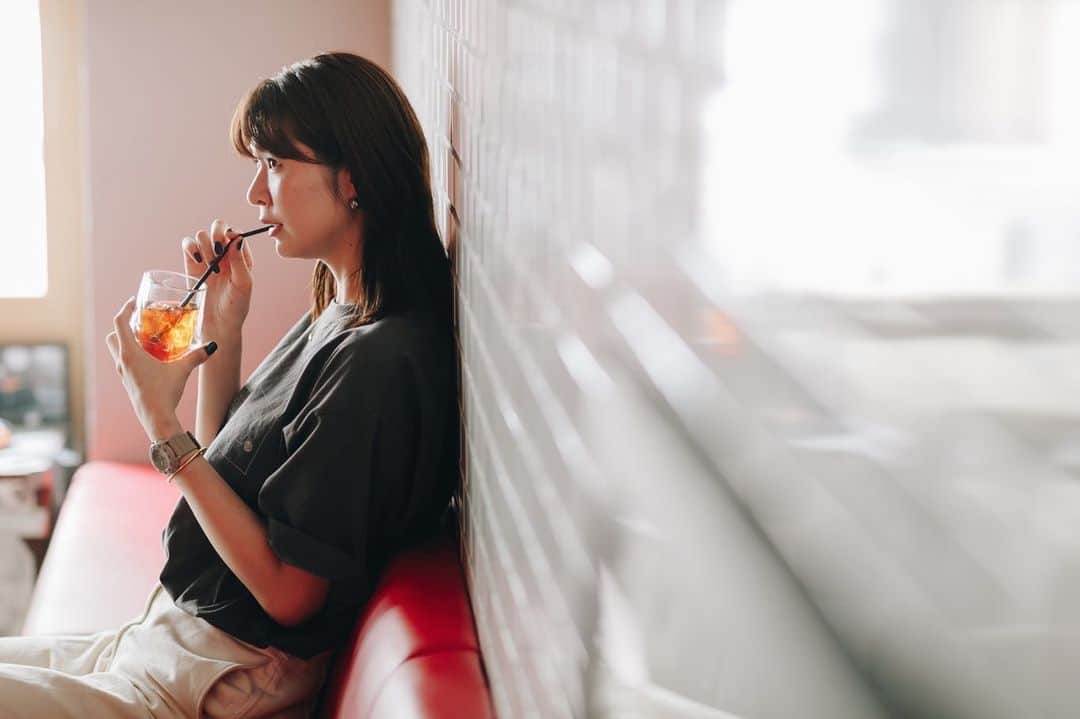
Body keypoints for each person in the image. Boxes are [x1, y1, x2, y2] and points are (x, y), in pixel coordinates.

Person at [0, 52, 460, 718]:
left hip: (204, 683)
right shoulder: (340, 309)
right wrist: (225, 330)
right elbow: (232, 477)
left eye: (275, 165)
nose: (254, 194)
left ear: (353, 176)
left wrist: (161, 425)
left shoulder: (380, 360)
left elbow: (289, 592)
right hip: (159, 643)